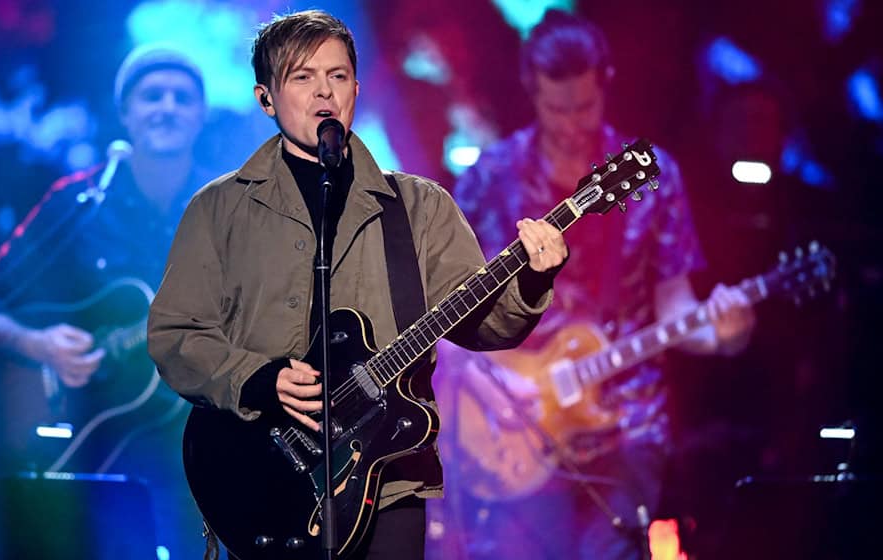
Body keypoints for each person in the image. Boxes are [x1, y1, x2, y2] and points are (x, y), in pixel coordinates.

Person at [145, 9, 568, 560]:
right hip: (260, 475)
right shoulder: (219, 208)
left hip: (388, 477)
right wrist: (256, 380)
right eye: (303, 77)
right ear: (265, 98)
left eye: (338, 76)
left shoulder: (419, 206)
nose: (324, 91)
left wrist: (534, 278)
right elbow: (176, 334)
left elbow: (484, 324)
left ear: (356, 90)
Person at [428, 9, 756, 560]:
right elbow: (445, 318)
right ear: (531, 92)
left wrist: (722, 333)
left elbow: (677, 308)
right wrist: (496, 390)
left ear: (605, 84)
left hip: (628, 423)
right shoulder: (489, 178)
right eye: (557, 108)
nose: (572, 123)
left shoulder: (650, 176)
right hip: (517, 425)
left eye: (585, 105)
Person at [0, 43, 213, 560]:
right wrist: (38, 344)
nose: (166, 106)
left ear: (201, 115)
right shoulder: (79, 202)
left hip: (202, 447)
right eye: (151, 95)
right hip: (96, 446)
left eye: (181, 97)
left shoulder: (231, 209)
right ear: (125, 112)